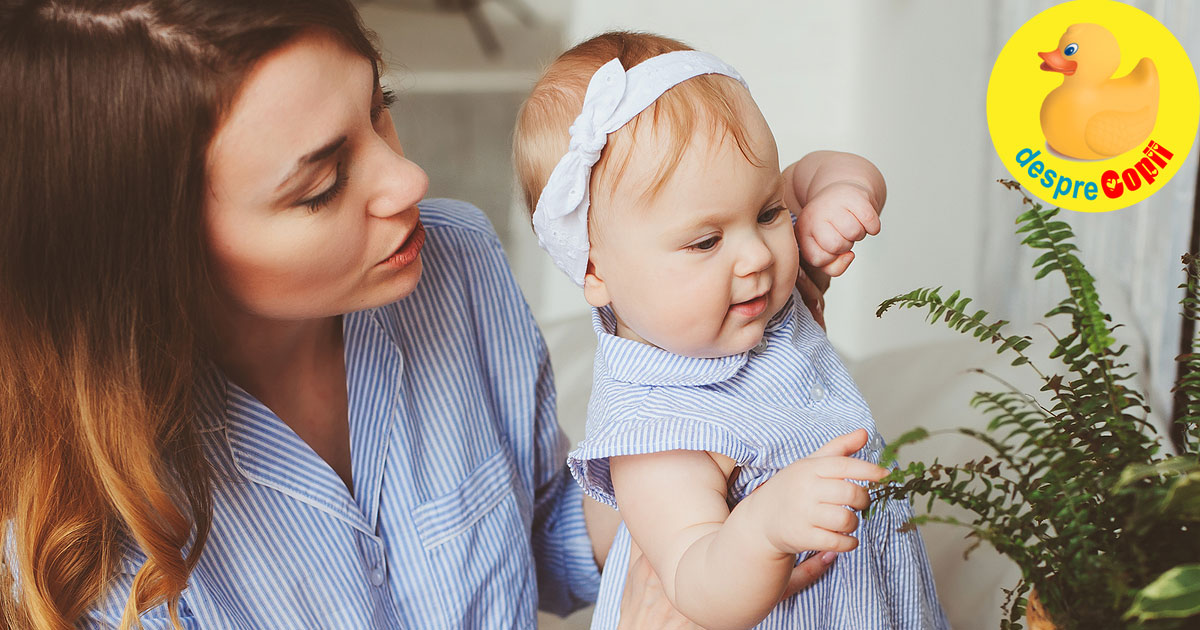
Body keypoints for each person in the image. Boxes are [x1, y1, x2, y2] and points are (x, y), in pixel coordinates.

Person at [0, 2, 837, 629]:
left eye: (378, 109)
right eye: (321, 187)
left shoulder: (455, 262)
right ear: (152, 256)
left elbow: (549, 530)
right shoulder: (81, 517)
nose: (407, 182)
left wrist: (724, 395)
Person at [514, 32, 950, 629]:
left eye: (768, 211)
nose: (758, 256)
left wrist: (840, 194)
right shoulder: (657, 428)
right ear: (595, 268)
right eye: (705, 241)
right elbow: (698, 585)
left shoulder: (747, 276)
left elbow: (828, 167)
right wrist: (764, 526)